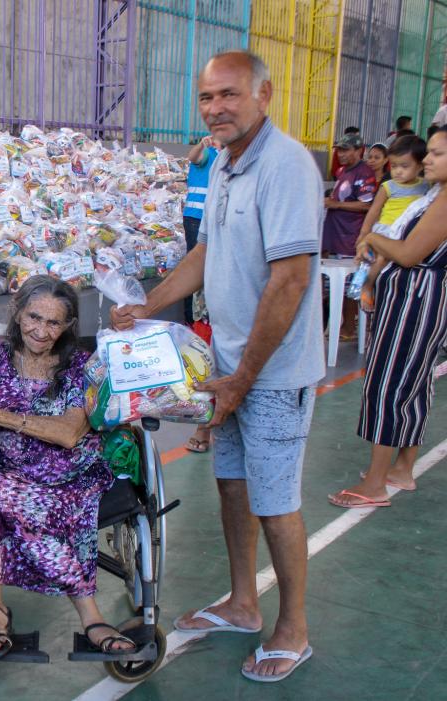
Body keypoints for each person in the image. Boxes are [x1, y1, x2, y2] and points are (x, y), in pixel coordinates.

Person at [113, 51, 323, 683]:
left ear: (264, 94)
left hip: (272, 373)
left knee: (275, 500)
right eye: (207, 97)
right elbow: (205, 252)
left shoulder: (285, 166)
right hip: (227, 366)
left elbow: (290, 282)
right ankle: (242, 602)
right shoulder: (226, 164)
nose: (215, 108)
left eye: (229, 94)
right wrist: (146, 306)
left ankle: (294, 629)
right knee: (232, 484)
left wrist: (243, 379)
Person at [0, 275, 134, 658]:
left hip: (72, 475)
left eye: (53, 322)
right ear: (17, 313)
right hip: (10, 471)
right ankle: (85, 615)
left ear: (68, 326)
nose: (41, 330)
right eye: (34, 317)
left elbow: (68, 433)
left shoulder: (81, 366)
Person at [328, 127, 447, 507]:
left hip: (416, 298)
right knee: (415, 381)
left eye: (438, 154)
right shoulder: (434, 196)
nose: (428, 160)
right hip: (414, 296)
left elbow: (409, 253)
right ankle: (401, 468)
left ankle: (375, 484)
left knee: (390, 381)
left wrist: (372, 239)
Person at [357, 135, 430, 310]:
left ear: (420, 166)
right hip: (387, 230)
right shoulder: (388, 186)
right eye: (394, 166)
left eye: (404, 166)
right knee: (380, 259)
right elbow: (374, 211)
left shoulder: (426, 186)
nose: (397, 171)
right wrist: (364, 234)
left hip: (409, 233)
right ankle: (366, 286)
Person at [182, 135, 218, 454]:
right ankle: (203, 427)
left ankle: (213, 426)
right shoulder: (209, 157)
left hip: (240, 305)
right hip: (210, 300)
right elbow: (196, 262)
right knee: (206, 358)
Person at [323, 132, 376, 340]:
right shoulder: (343, 171)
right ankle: (340, 326)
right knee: (336, 288)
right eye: (339, 150)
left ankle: (349, 329)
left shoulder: (364, 173)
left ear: (359, 150)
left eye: (346, 150)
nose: (341, 154)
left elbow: (367, 205)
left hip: (351, 238)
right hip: (337, 237)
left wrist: (336, 204)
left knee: (351, 287)